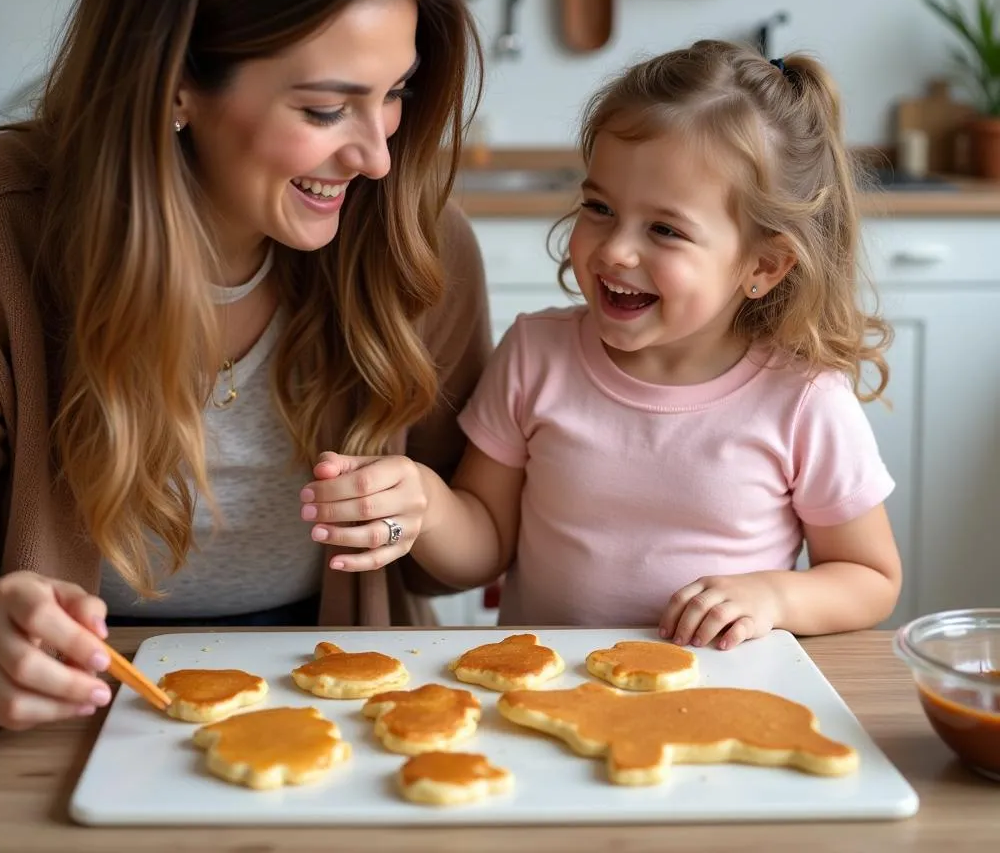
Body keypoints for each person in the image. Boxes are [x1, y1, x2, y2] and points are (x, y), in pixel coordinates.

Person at [0, 0, 491, 731]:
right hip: (69, 715)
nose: (376, 157)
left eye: (397, 92)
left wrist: (420, 512)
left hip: (335, 694)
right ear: (175, 84)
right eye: (326, 108)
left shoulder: (420, 241)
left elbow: (460, 554)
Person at [304, 40, 903, 649]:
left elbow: (870, 578)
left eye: (665, 229)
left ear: (764, 266)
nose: (616, 249)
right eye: (600, 207)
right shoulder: (537, 354)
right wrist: (427, 502)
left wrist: (774, 596)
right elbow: (484, 548)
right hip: (542, 692)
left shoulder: (802, 401)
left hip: (714, 704)